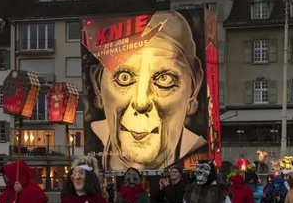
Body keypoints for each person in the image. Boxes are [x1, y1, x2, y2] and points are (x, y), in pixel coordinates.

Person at [86, 12, 206, 170]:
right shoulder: (90, 145)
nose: (141, 102)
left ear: (194, 88)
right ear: (98, 85)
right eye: (124, 78)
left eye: (164, 79)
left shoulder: (199, 154)